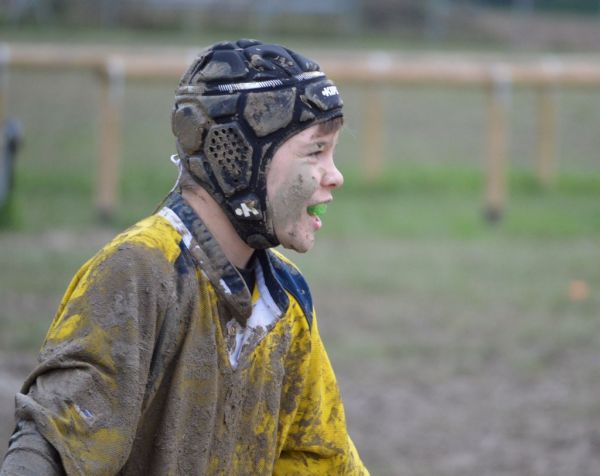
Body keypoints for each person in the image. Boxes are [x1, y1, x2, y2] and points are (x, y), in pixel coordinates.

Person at [0, 39, 368, 475]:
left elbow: (321, 459)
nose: (335, 175)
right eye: (316, 150)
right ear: (239, 156)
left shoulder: (285, 295)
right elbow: (53, 446)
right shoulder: (140, 270)